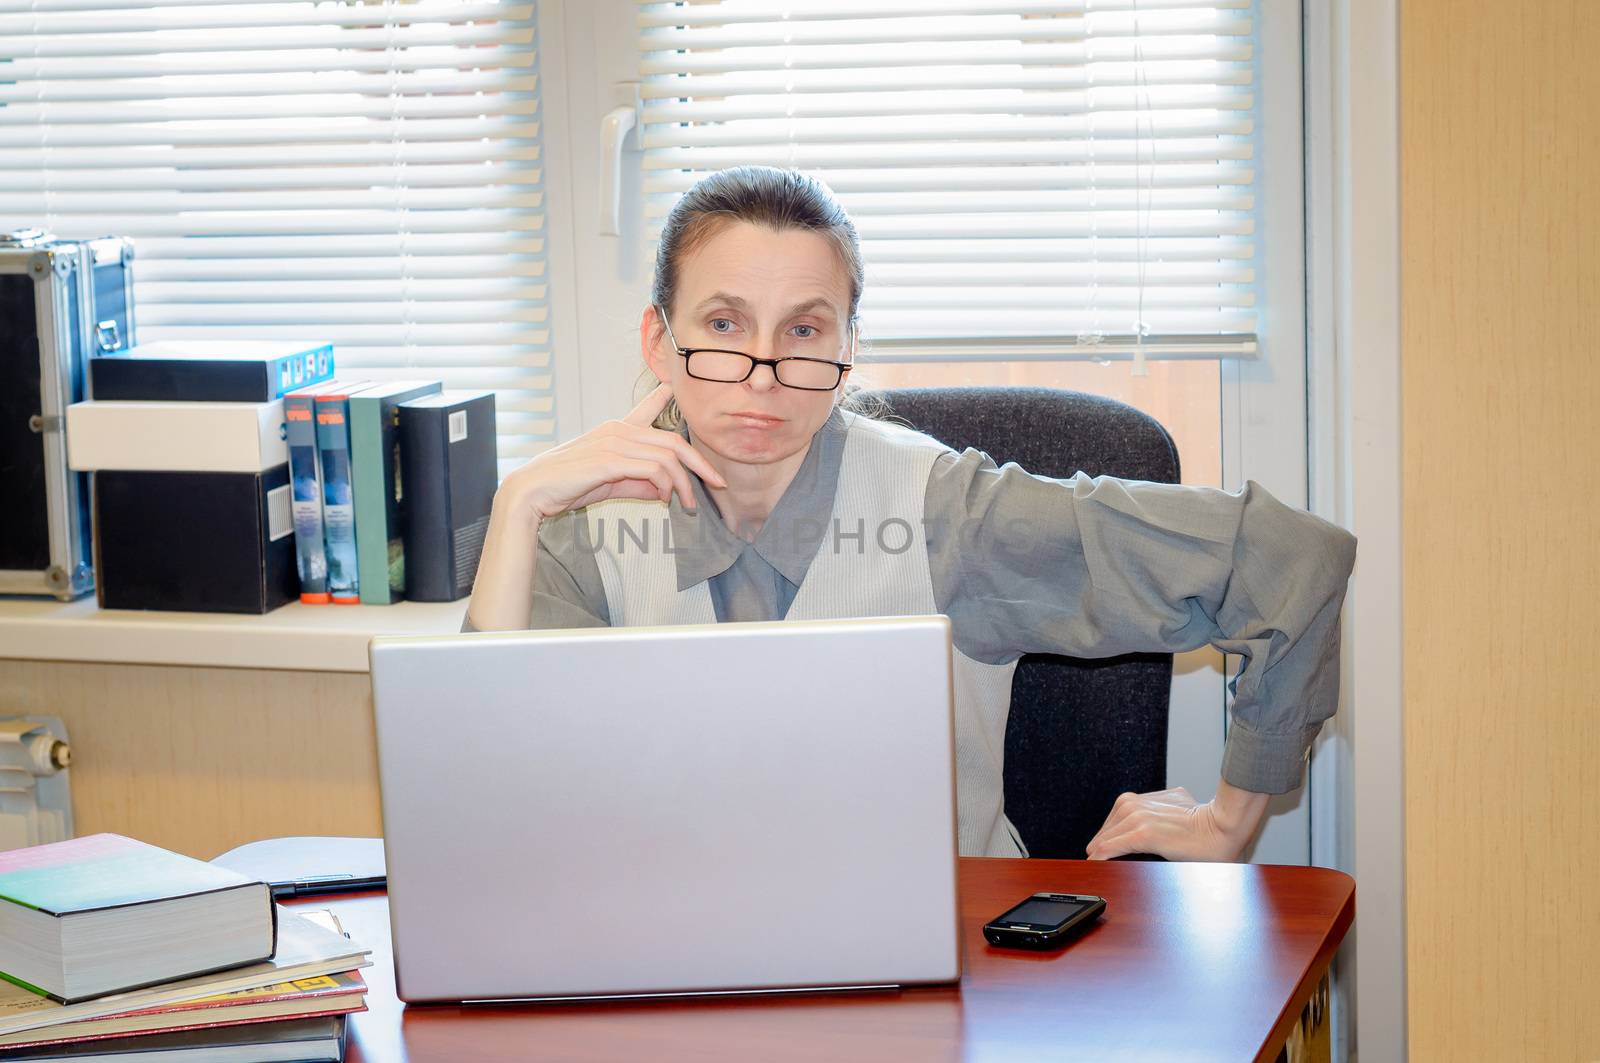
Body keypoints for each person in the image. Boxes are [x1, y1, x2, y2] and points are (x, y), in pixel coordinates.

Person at [466, 166, 1357, 862]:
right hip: (666, 951)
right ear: (659, 339)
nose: (764, 372)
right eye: (726, 325)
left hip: (931, 964)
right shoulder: (582, 520)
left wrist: (1229, 821)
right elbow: (491, 805)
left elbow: (1285, 558)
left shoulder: (945, 513)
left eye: (805, 330)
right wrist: (516, 508)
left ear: (850, 346)